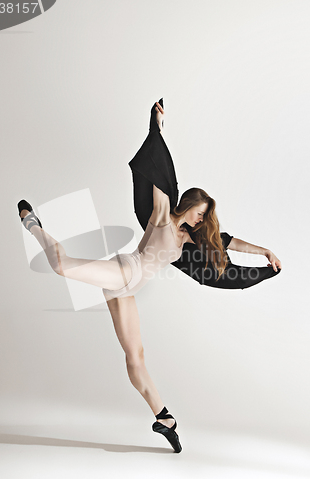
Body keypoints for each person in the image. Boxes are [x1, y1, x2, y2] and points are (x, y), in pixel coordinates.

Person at [17, 99, 282, 454]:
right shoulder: (162, 217)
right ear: (186, 206)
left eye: (205, 218)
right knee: (61, 264)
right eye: (199, 213)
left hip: (127, 289)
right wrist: (155, 126)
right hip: (123, 271)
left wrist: (265, 254)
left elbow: (228, 243)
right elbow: (158, 172)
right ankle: (33, 226)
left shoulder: (191, 240)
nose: (202, 221)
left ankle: (164, 418)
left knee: (135, 358)